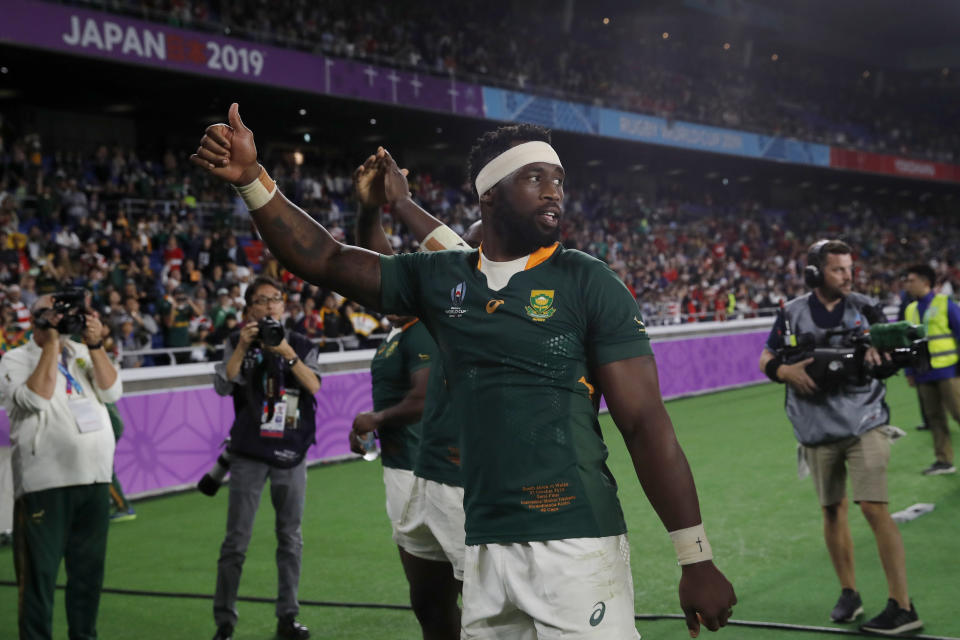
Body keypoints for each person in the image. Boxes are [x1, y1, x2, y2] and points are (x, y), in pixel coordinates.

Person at [192, 104, 735, 639]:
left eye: (559, 179)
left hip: (575, 542)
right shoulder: (441, 278)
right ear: (491, 193)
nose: (554, 191)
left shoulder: (589, 282)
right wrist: (252, 180)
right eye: (535, 176)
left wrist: (696, 557)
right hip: (482, 543)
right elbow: (327, 259)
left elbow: (644, 424)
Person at [759, 240, 922, 635]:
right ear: (815, 273)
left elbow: (887, 355)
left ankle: (902, 605)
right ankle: (849, 592)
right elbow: (766, 358)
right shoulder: (792, 313)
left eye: (850, 268)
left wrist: (880, 360)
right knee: (832, 510)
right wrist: (785, 372)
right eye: (838, 269)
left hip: (864, 421)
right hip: (815, 428)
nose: (848, 275)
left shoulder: (866, 307)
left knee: (872, 506)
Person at [0, 294, 122, 639]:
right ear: (36, 320)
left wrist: (96, 345)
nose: (64, 319)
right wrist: (52, 343)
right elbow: (37, 397)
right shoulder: (14, 358)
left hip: (95, 478)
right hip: (45, 485)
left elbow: (113, 393)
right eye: (54, 313)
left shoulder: (82, 352)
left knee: (87, 577)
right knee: (38, 578)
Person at [211, 275, 322, 640]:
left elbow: (314, 385)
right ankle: (225, 623)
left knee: (290, 538)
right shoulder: (234, 341)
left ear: (284, 304)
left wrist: (287, 353)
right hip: (249, 452)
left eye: (276, 298)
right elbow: (224, 384)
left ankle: (287, 618)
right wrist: (243, 348)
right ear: (249, 309)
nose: (270, 305)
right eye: (262, 300)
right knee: (235, 542)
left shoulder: (301, 343)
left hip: (291, 452)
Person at [902, 263, 960, 475]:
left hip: (948, 370)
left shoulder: (945, 303)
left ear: (925, 282)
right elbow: (907, 343)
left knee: (958, 413)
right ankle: (944, 460)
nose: (907, 284)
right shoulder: (909, 309)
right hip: (923, 372)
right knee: (934, 418)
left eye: (911, 280)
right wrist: (909, 371)